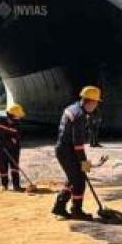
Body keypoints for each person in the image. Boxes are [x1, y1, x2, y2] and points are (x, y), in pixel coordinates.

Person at [52, 86, 102, 220]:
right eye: (96, 102)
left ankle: (59, 206)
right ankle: (77, 211)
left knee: (72, 179)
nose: (96, 105)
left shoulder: (73, 108)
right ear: (90, 101)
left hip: (63, 149)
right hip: (68, 152)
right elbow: (78, 145)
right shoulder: (79, 116)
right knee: (79, 181)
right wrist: (84, 164)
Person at [0, 104, 26, 191]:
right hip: (0, 148)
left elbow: (15, 134)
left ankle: (16, 186)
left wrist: (7, 134)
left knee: (15, 167)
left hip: (14, 149)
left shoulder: (17, 125)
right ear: (13, 115)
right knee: (2, 167)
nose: (19, 117)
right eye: (18, 115)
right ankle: (4, 185)